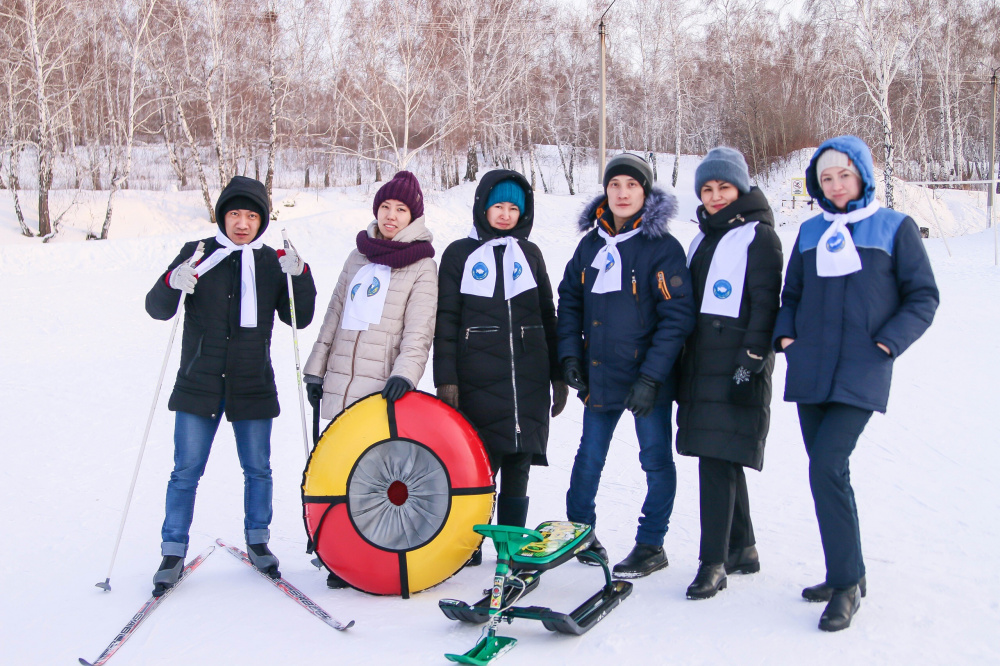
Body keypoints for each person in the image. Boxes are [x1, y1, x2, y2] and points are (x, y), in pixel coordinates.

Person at [773, 136, 939, 631]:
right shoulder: (808, 233)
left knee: (827, 466)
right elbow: (791, 295)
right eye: (826, 178)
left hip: (861, 370)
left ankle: (845, 587)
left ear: (862, 175)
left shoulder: (894, 228)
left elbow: (923, 296)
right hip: (810, 371)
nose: (836, 185)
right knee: (829, 474)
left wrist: (886, 344)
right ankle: (848, 570)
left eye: (844, 175)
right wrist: (786, 338)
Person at [146, 175, 317, 594]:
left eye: (252, 215)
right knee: (185, 471)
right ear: (223, 216)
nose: (243, 223)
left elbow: (299, 317)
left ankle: (259, 542)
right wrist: (174, 280)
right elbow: (156, 307)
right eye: (235, 214)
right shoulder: (199, 253)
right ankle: (173, 550)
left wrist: (301, 274)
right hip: (198, 382)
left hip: (252, 382)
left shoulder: (270, 261)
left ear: (262, 220)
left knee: (258, 469)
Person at [557, 153, 696, 578]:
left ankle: (651, 544)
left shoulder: (662, 248)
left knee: (655, 460)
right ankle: (580, 532)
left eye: (631, 186)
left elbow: (677, 318)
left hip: (644, 382)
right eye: (614, 185)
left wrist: (652, 378)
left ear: (645, 192)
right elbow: (570, 301)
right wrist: (569, 356)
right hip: (598, 373)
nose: (621, 193)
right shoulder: (591, 245)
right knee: (588, 458)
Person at [302, 170, 437, 587]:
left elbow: (419, 331)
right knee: (337, 475)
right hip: (339, 384)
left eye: (400, 209)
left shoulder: (422, 264)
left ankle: (373, 557)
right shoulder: (357, 256)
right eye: (385, 207)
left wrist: (406, 375)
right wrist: (315, 369)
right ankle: (338, 555)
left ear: (413, 216)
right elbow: (333, 316)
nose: (391, 216)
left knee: (374, 481)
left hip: (380, 392)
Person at [434, 170, 566, 564]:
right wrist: (447, 379)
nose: (506, 215)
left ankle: (510, 546)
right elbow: (446, 320)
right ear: (483, 208)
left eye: (513, 208)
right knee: (478, 462)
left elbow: (548, 313)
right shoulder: (459, 254)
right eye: (498, 207)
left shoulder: (531, 254)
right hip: (476, 375)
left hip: (528, 374)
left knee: (519, 459)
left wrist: (558, 373)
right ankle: (471, 542)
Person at [675, 147, 783, 600]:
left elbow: (766, 305)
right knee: (721, 455)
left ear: (740, 188)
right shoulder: (702, 237)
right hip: (702, 366)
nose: (716, 196)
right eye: (707, 189)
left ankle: (712, 562)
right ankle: (743, 548)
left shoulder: (759, 237)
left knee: (716, 461)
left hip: (737, 365)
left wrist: (752, 360)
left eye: (724, 187)